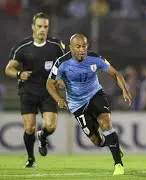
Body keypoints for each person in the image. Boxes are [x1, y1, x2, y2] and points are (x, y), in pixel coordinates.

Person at [46, 34, 132, 175]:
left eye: (84, 46)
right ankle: (112, 144)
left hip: (95, 95)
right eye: (78, 46)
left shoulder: (95, 58)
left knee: (105, 123)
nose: (82, 49)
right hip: (77, 104)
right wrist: (59, 99)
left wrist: (125, 91)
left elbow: (115, 74)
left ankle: (118, 164)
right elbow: (49, 83)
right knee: (97, 141)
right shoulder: (62, 63)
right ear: (70, 48)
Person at [5, 12, 65, 168]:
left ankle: (43, 136)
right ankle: (31, 159)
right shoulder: (23, 47)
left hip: (48, 91)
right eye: (39, 26)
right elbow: (8, 68)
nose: (42, 30)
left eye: (45, 26)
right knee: (29, 127)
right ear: (33, 27)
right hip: (28, 91)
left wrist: (61, 79)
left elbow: (65, 66)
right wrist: (19, 73)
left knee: (51, 126)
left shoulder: (56, 45)